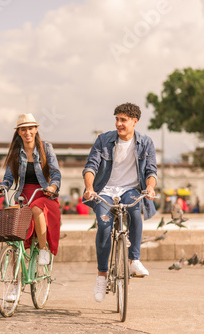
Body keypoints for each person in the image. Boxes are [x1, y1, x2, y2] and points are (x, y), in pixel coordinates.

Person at [82, 102, 157, 303]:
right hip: (104, 190)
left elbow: (151, 171)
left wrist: (150, 188)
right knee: (104, 225)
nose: (119, 124)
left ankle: (134, 260)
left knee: (134, 212)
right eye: (117, 119)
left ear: (135, 121)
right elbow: (91, 167)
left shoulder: (146, 142)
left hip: (130, 190)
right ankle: (101, 276)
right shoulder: (103, 140)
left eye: (123, 120)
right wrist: (90, 188)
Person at [0, 113, 62, 267]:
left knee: (37, 209)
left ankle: (43, 249)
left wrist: (53, 186)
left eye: (30, 128)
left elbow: (56, 174)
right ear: (18, 132)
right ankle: (13, 280)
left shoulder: (46, 148)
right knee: (12, 229)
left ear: (36, 129)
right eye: (23, 129)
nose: (27, 132)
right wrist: (2, 187)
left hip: (44, 194)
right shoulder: (16, 152)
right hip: (24, 195)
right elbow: (8, 178)